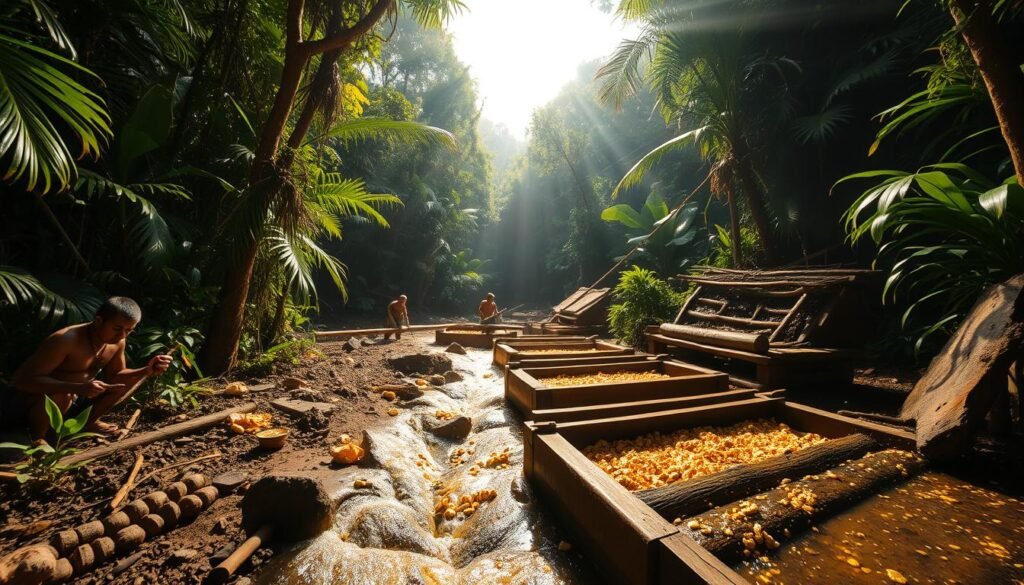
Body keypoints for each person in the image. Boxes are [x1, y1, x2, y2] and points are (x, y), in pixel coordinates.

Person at [7, 297, 172, 442]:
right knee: (63, 393)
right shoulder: (66, 339)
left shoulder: (117, 342)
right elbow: (23, 382)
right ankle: (39, 438)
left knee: (123, 384)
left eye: (129, 330)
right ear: (99, 321)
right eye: (117, 329)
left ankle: (88, 423)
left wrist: (146, 370)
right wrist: (76, 387)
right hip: (37, 403)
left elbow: (116, 375)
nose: (122, 335)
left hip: (76, 397)